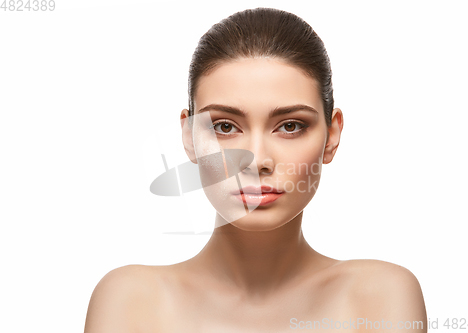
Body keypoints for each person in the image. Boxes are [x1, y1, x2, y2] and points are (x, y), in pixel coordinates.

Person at [84, 7, 427, 332]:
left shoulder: (379, 298)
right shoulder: (130, 301)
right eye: (225, 127)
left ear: (331, 136)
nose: (257, 159)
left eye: (290, 126)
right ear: (189, 137)